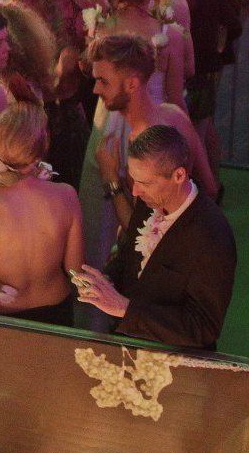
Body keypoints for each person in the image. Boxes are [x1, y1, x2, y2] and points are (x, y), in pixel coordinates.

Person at [75, 125, 236, 350]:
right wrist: (106, 281)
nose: (135, 192)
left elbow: (203, 328)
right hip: (129, 347)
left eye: (145, 182)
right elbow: (131, 254)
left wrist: (125, 308)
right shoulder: (150, 200)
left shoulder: (212, 237)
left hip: (174, 363)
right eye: (134, 180)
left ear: (179, 175)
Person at [80, 34, 219, 277]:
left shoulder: (145, 143)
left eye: (103, 81)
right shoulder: (174, 114)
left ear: (132, 84)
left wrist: (111, 177)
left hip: (161, 268)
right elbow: (210, 186)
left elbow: (138, 228)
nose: (95, 89)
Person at [0, 103, 84, 326]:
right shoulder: (67, 196)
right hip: (56, 311)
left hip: (2, 313)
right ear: (43, 143)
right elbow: (76, 272)